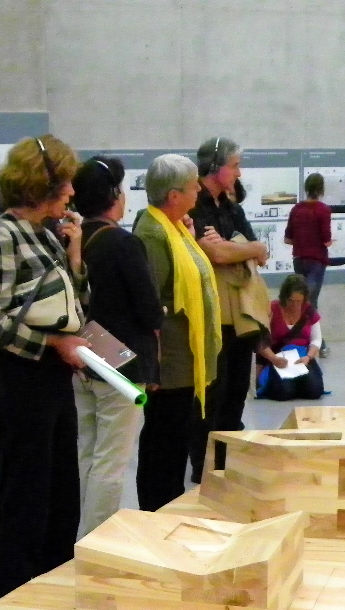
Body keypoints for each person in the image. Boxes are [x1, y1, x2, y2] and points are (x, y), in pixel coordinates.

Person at [0, 135, 88, 606]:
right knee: (25, 498)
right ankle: (6, 604)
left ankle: (49, 597)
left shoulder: (45, 233)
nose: (72, 192)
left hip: (52, 378)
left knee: (61, 496)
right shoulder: (4, 235)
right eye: (66, 183)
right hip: (22, 380)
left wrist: (75, 255)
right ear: (42, 183)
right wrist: (53, 344)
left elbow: (71, 306)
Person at [71, 155, 165, 536]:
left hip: (84, 354)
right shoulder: (124, 244)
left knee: (89, 453)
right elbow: (150, 311)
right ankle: (98, 541)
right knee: (113, 461)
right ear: (113, 195)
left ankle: (83, 533)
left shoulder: (71, 238)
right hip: (123, 365)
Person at [133, 154, 220, 511]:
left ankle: (169, 504)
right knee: (163, 442)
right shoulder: (153, 234)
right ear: (173, 196)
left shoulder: (175, 227)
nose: (199, 189)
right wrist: (153, 367)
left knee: (175, 440)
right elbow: (150, 304)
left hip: (183, 360)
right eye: (192, 186)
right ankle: (157, 510)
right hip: (168, 363)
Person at [188, 136, 269, 482]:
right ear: (215, 167)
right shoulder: (195, 205)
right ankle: (203, 469)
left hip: (240, 320)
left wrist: (236, 248)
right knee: (211, 397)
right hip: (210, 318)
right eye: (234, 165)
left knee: (236, 395)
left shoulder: (232, 207)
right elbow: (216, 254)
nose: (239, 173)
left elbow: (261, 251)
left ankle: (226, 464)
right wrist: (236, 249)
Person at [254, 274, 324, 402]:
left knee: (315, 391)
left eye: (299, 301)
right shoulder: (272, 309)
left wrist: (308, 357)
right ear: (284, 297)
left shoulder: (308, 311)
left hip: (302, 356)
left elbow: (316, 339)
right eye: (292, 301)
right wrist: (274, 358)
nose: (295, 305)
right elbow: (260, 340)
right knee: (284, 392)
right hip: (277, 357)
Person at [285, 172, 332, 307]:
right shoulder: (323, 210)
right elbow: (326, 241)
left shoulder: (296, 209)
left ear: (306, 188)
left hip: (299, 260)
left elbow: (287, 239)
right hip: (316, 261)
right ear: (321, 190)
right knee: (311, 303)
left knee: (300, 301)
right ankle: (310, 322)